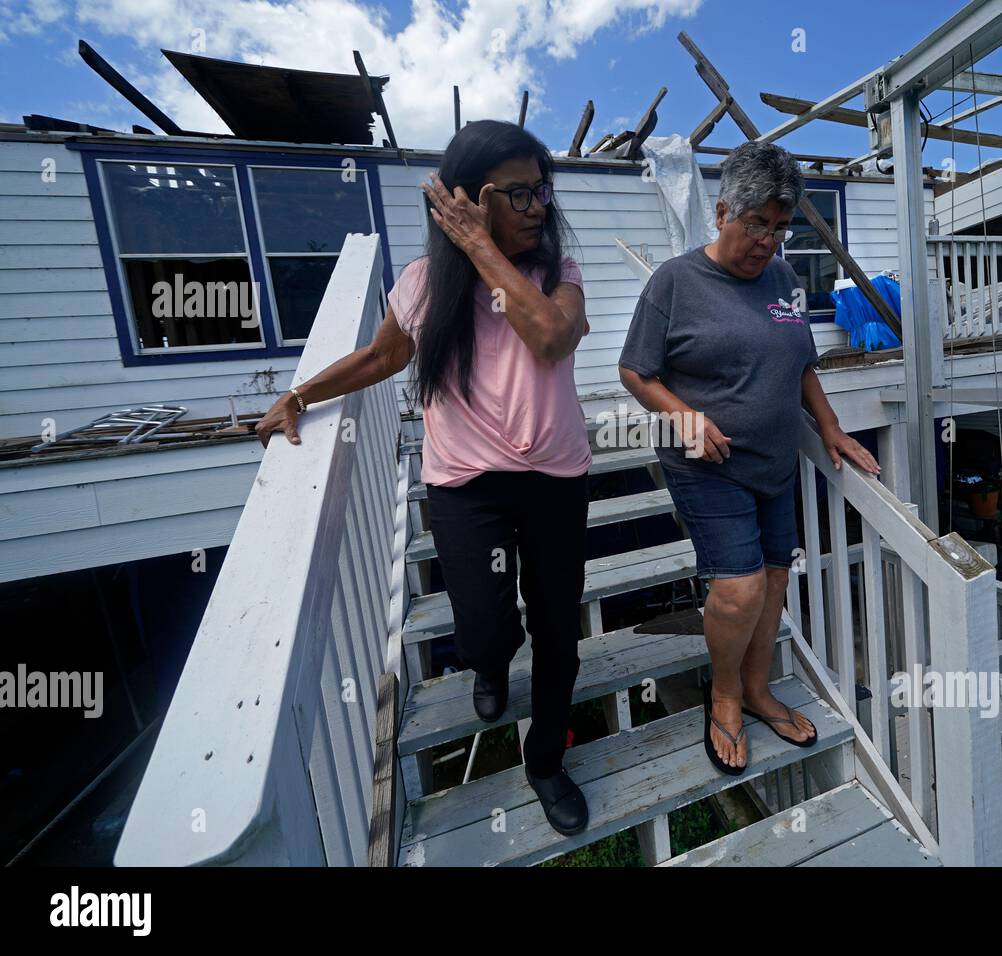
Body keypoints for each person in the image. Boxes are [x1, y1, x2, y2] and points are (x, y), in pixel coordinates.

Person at [256, 119, 592, 835]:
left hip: (556, 478)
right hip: (466, 484)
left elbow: (551, 336)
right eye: (519, 194)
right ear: (467, 200)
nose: (539, 208)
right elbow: (382, 358)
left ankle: (545, 762)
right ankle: (493, 665)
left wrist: (480, 247)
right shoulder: (421, 284)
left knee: (559, 633)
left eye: (542, 191)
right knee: (482, 627)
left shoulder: (558, 272)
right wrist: (300, 394)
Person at [618, 142, 880, 775]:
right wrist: (682, 415)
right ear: (722, 211)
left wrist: (831, 427)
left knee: (775, 580)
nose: (768, 238)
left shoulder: (785, 279)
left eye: (780, 225)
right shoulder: (674, 282)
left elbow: (801, 364)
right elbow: (634, 370)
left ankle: (759, 690)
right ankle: (726, 693)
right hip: (706, 464)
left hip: (774, 463)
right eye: (756, 222)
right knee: (736, 589)